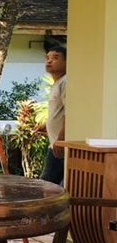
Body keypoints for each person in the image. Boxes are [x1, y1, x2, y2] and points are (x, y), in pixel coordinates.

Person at [38, 45, 67, 185]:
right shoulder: (57, 83)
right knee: (54, 185)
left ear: (67, 62)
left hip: (60, 146)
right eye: (47, 58)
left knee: (46, 185)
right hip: (57, 144)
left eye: (55, 58)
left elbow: (70, 112)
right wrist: (46, 125)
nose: (49, 61)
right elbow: (58, 111)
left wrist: (61, 140)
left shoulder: (66, 82)